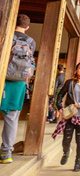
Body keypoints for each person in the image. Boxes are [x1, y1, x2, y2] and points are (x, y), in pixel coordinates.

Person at [0, 14, 36, 164]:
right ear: (27, 27)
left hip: (2, 77)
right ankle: (6, 154)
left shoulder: (6, 34)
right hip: (19, 83)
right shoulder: (31, 42)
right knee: (12, 118)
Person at [53, 62, 80, 172]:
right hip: (70, 115)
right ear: (76, 70)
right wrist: (59, 106)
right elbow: (60, 94)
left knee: (79, 140)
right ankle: (66, 152)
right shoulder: (69, 83)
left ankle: (78, 162)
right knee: (66, 139)